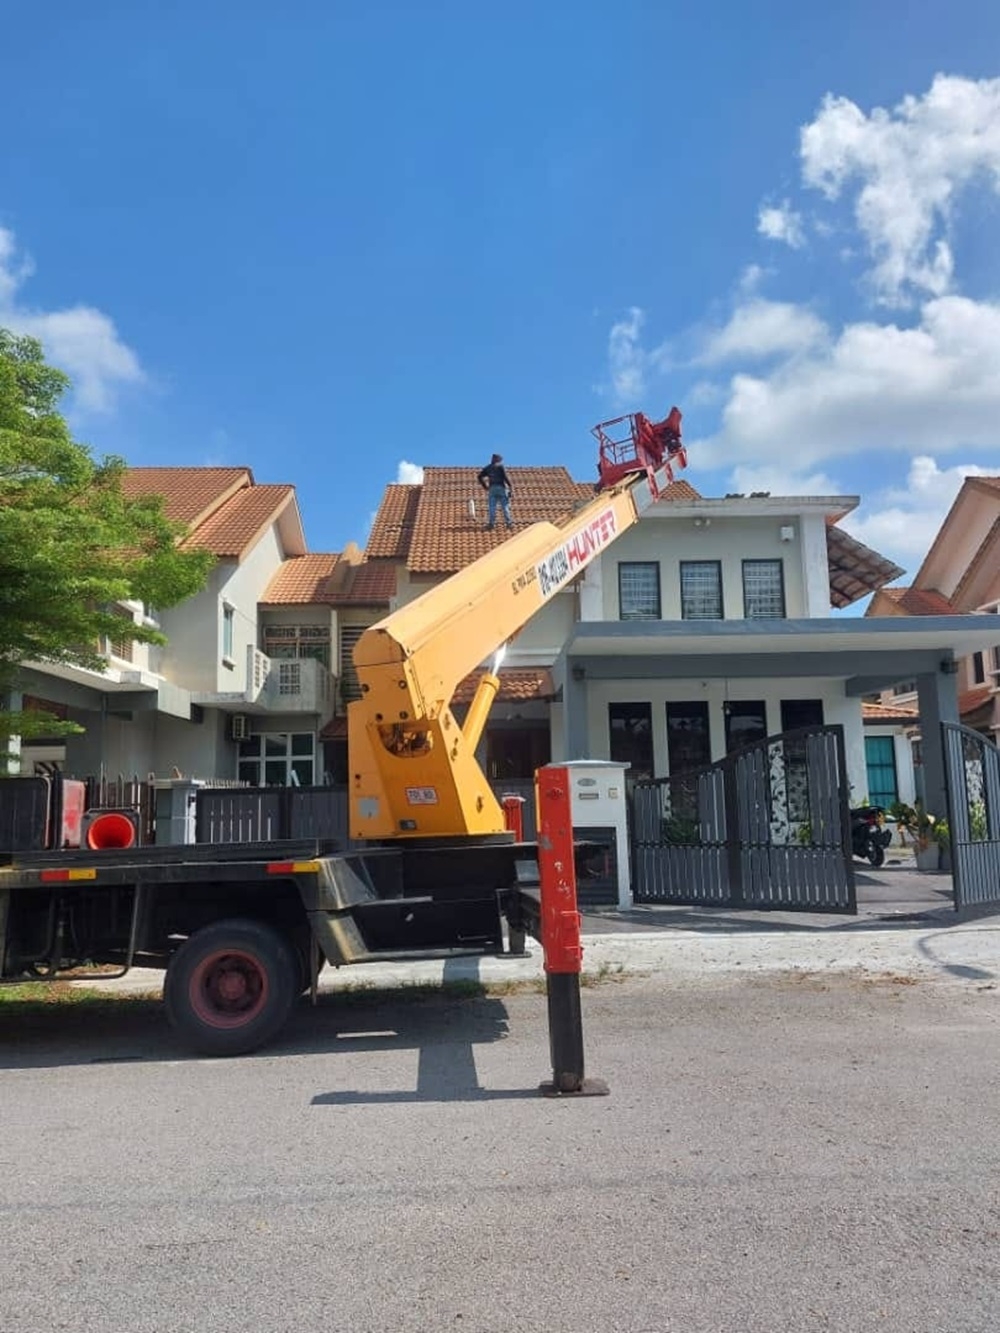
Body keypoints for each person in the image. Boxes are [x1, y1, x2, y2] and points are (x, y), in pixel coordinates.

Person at [477, 452, 514, 530]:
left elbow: (480, 477)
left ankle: (491, 524)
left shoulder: (488, 468)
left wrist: (485, 487)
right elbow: (505, 477)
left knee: (492, 507)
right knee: (505, 506)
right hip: (501, 488)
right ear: (497, 459)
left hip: (492, 489)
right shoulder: (500, 467)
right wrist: (511, 487)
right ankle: (509, 523)